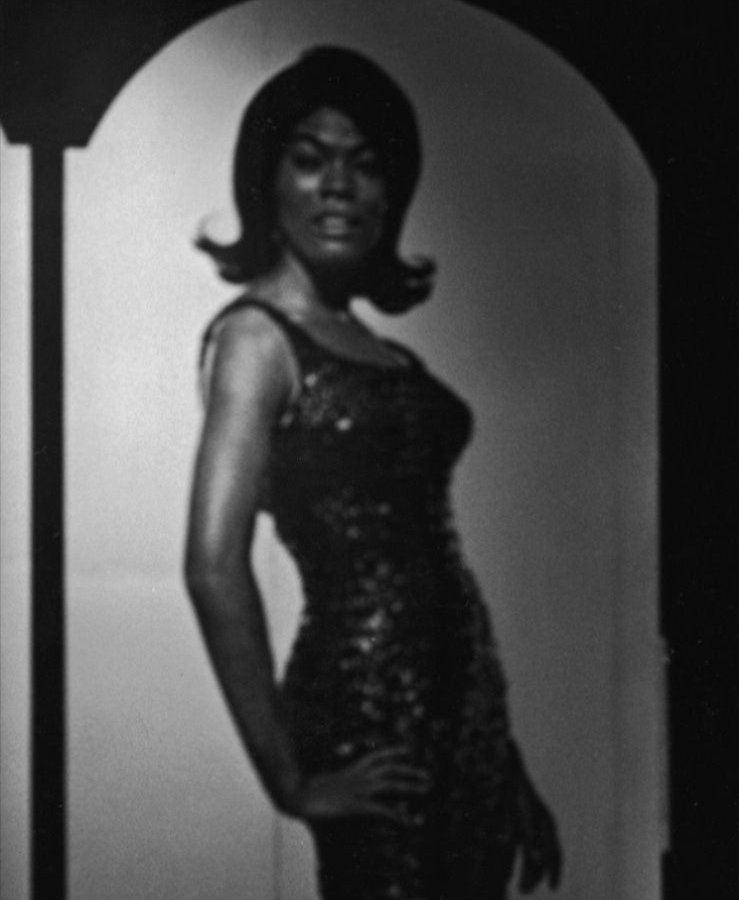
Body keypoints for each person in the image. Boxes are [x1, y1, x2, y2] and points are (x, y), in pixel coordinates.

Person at [183, 46, 561, 898]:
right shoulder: (255, 338)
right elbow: (212, 565)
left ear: (393, 191)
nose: (339, 188)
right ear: (267, 183)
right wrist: (288, 781)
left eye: (364, 164)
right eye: (310, 161)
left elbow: (431, 566)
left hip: (466, 710)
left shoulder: (374, 344)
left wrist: (504, 765)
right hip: (364, 709)